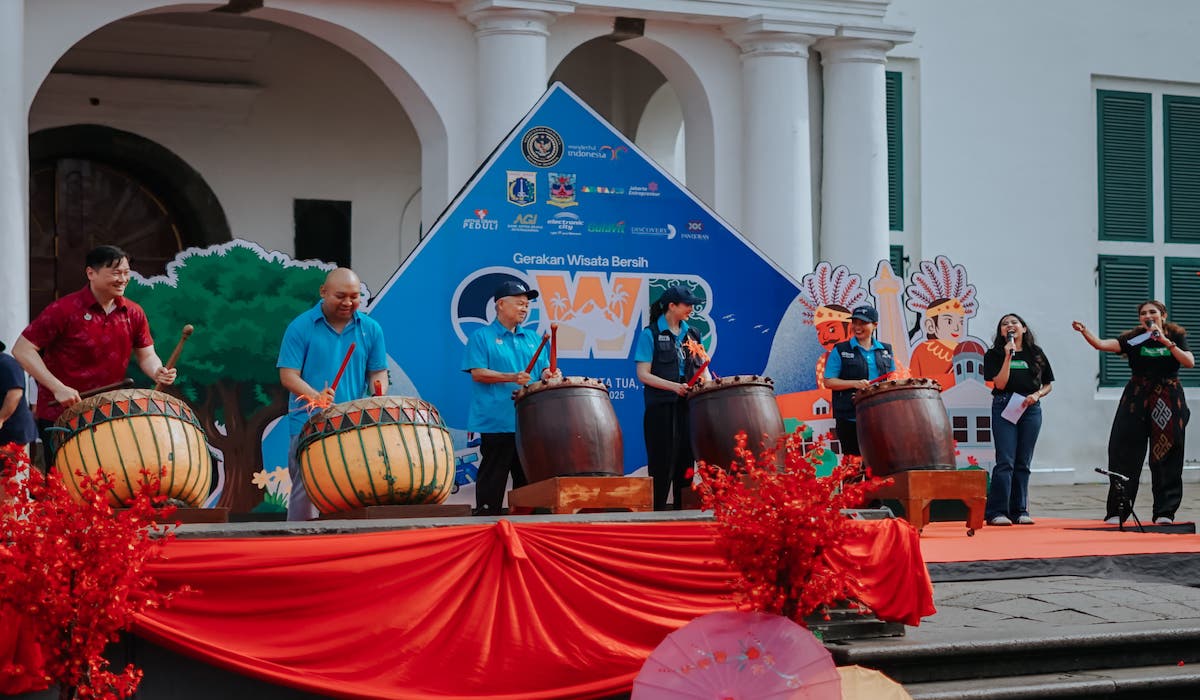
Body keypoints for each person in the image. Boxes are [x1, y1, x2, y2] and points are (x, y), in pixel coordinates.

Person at [13, 245, 176, 470]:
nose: (123, 279)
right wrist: (57, 387)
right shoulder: (64, 310)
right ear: (91, 273)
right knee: (66, 482)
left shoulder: (133, 312)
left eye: (126, 273)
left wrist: (157, 370)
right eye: (116, 273)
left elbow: (147, 355)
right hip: (60, 413)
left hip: (110, 413)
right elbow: (22, 349)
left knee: (109, 479)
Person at [278, 267, 388, 521]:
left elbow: (377, 373)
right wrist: (316, 397)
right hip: (309, 423)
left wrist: (378, 395)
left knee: (352, 487)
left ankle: (343, 547)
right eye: (340, 296)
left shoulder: (371, 329)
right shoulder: (301, 326)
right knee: (306, 489)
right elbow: (288, 375)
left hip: (352, 423)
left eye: (354, 296)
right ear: (323, 292)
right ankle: (297, 547)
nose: (348, 303)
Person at [1073, 301, 1194, 525]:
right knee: (1123, 449)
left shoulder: (1175, 336)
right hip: (1136, 398)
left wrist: (1165, 342)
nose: (1147, 316)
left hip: (1167, 398)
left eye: (1152, 312)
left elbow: (1189, 362)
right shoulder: (1134, 338)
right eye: (1143, 313)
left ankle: (1164, 512)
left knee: (1167, 453)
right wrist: (1085, 332)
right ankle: (1118, 510)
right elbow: (1101, 345)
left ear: (1163, 316)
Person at [462, 280, 560, 516]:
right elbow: (478, 373)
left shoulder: (534, 339)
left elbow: (543, 371)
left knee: (528, 477)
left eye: (527, 305)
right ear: (501, 305)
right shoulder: (481, 337)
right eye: (519, 303)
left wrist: (550, 374)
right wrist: (510, 376)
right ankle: (486, 520)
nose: (524, 309)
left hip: (529, 422)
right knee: (494, 474)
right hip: (497, 420)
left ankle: (526, 524)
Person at [634, 285, 709, 511]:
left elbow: (704, 368)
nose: (691, 309)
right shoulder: (651, 334)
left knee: (686, 465)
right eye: (687, 305)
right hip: (661, 410)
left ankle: (683, 516)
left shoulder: (693, 333)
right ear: (672, 306)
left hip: (688, 409)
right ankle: (655, 517)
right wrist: (674, 387)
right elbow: (643, 374)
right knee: (661, 466)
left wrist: (706, 384)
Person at [982, 314, 1054, 526]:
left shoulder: (1036, 354)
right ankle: (997, 512)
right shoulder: (995, 354)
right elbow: (1000, 384)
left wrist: (1037, 395)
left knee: (1024, 461)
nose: (1009, 326)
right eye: (1004, 324)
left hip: (1030, 407)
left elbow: (1048, 384)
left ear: (1023, 328)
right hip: (1005, 404)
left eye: (1014, 322)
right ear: (1001, 332)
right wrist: (1007, 357)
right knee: (1006, 461)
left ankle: (1020, 510)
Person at [824, 305, 895, 458]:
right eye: (855, 322)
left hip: (879, 417)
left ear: (875, 325)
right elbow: (829, 382)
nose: (857, 327)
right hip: (849, 417)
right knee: (852, 465)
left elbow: (892, 378)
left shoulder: (886, 350)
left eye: (863, 323)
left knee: (877, 463)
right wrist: (855, 383)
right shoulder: (841, 349)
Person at [0, 341, 36, 457]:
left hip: (12, 430)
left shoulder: (6, 364)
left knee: (7, 470)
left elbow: (15, 393)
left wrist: (1, 418)